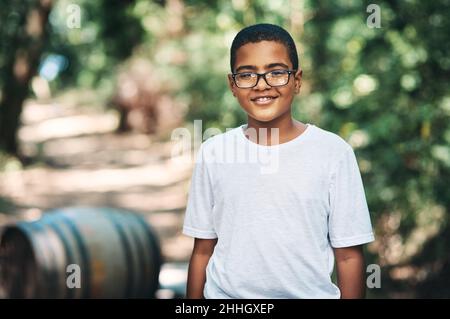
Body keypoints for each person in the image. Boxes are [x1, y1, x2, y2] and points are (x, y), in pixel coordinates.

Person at [183, 23, 374, 299]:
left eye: (276, 72)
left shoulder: (333, 152)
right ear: (232, 85)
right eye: (247, 74)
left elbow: (349, 256)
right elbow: (202, 250)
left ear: (297, 80)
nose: (262, 85)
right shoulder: (214, 153)